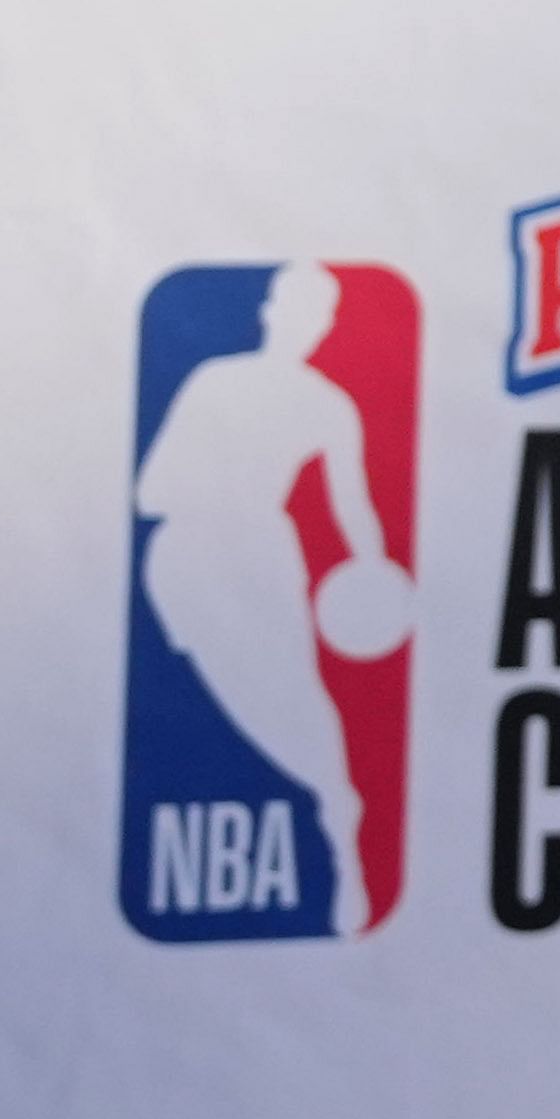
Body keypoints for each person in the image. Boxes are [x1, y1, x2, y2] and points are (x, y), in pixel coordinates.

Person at [132, 262, 409, 929]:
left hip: (261, 557)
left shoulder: (329, 406)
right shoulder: (215, 381)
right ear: (270, 312)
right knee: (229, 701)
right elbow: (150, 491)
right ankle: (332, 807)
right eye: (295, 308)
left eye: (320, 315)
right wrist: (211, 489)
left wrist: (372, 573)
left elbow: (355, 506)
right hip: (187, 558)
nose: (305, 326)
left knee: (295, 696)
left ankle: (341, 832)